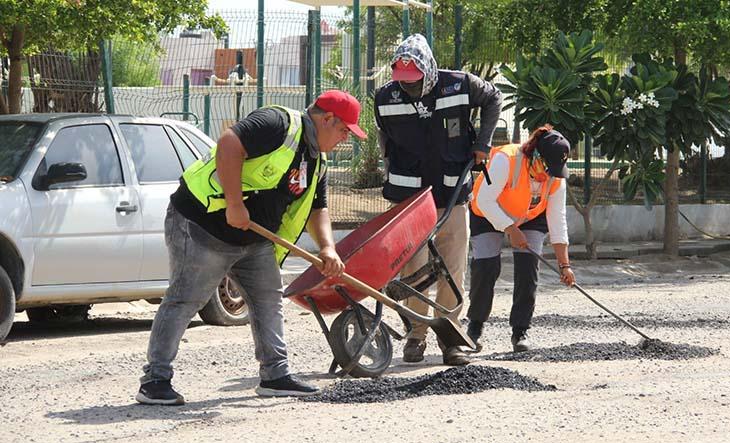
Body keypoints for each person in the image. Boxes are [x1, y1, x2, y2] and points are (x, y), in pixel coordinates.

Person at [136, 90, 366, 405]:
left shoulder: (318, 161)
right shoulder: (278, 123)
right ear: (327, 118)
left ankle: (275, 375)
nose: (344, 139)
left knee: (268, 299)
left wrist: (328, 247)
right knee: (185, 299)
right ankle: (154, 381)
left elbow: (317, 207)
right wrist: (234, 203)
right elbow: (229, 144)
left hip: (254, 240)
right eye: (343, 131)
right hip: (203, 224)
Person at [374, 33, 502, 366]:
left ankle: (450, 338)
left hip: (451, 193)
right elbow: (384, 139)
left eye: (414, 81)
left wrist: (483, 145)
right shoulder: (386, 97)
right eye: (403, 82)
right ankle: (416, 335)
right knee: (413, 269)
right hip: (408, 200)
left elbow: (494, 98)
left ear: (428, 70)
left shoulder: (459, 85)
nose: (408, 87)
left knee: (452, 266)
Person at [466, 125, 576, 353]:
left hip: (529, 217)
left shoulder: (556, 177)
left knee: (528, 269)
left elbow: (557, 219)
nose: (550, 175)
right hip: (487, 213)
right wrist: (510, 228)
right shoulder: (507, 160)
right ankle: (474, 328)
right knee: (486, 267)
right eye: (548, 167)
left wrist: (564, 265)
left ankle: (520, 331)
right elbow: (485, 200)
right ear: (537, 156)